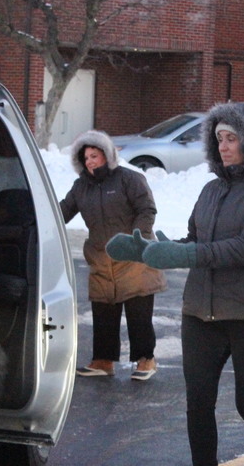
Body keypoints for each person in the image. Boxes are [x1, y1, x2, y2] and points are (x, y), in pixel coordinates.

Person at [107, 102, 244, 466]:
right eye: (219, 139)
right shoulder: (211, 191)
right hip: (202, 313)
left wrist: (183, 253)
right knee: (199, 403)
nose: (224, 146)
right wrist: (147, 249)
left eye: (232, 139)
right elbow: (194, 240)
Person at [61, 130, 166, 380]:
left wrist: (137, 238)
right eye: (86, 158)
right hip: (100, 257)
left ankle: (146, 360)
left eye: (94, 156)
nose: (90, 162)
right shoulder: (80, 187)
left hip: (132, 256)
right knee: (103, 310)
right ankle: (103, 361)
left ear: (107, 156)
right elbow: (63, 211)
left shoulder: (129, 179)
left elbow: (146, 209)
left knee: (138, 312)